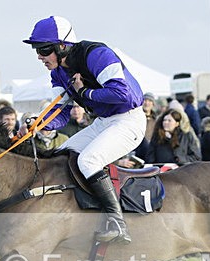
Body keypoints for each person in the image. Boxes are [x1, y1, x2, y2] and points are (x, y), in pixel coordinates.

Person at [22, 15, 145, 244]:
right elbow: (59, 111)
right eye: (36, 50)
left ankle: (118, 224)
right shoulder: (58, 72)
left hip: (129, 121)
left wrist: (85, 93)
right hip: (103, 122)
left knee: (88, 161)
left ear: (62, 46)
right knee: (60, 156)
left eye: (44, 49)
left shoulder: (97, 54)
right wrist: (37, 125)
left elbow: (122, 93)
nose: (39, 56)